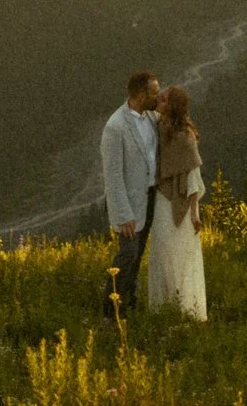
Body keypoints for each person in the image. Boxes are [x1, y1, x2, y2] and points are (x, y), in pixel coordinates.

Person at [100, 69, 159, 320]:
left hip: (149, 197)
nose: (158, 95)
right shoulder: (115, 127)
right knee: (127, 254)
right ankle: (110, 309)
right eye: (154, 92)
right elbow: (112, 176)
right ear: (141, 94)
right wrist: (124, 214)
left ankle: (129, 302)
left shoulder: (151, 117)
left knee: (138, 254)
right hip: (128, 206)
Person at [148, 85, 207, 320]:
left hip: (180, 204)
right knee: (161, 252)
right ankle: (162, 308)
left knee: (181, 255)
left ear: (173, 105)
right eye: (160, 96)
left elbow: (193, 177)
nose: (160, 99)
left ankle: (186, 308)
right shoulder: (158, 127)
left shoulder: (184, 136)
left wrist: (194, 214)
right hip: (162, 201)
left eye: (165, 98)